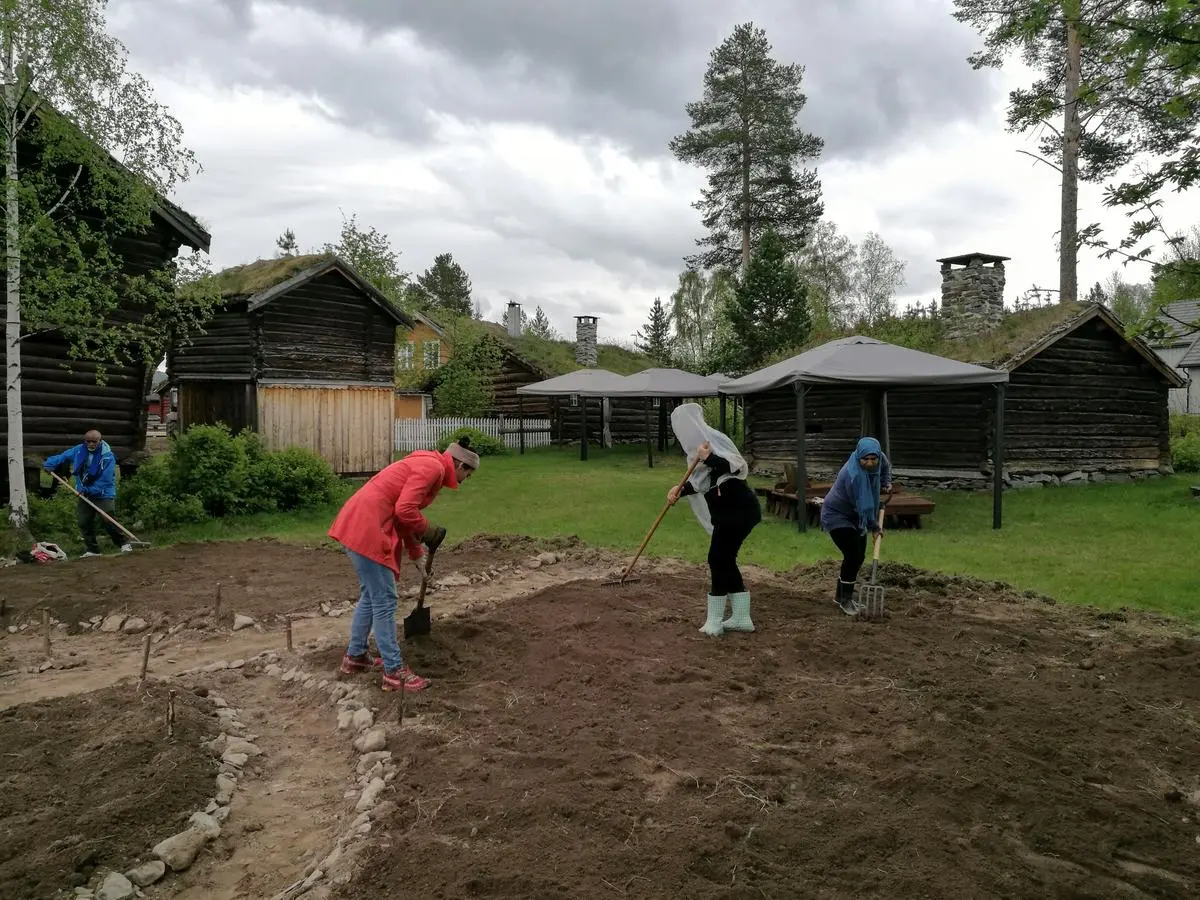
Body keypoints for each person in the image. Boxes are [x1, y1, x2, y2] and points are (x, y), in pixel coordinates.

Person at [328, 437, 479, 692]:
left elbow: (404, 515)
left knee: (371, 595)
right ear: (460, 465)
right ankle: (394, 672)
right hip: (368, 528)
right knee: (385, 600)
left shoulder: (427, 463)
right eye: (468, 473)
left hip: (358, 524)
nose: (466, 480)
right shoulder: (433, 469)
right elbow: (406, 510)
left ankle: (355, 658)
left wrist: (416, 553)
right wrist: (428, 530)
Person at [666, 403, 762, 637]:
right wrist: (679, 490)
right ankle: (741, 617)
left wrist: (708, 458)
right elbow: (702, 482)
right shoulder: (695, 454)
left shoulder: (715, 441)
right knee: (724, 560)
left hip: (739, 511)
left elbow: (735, 466)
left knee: (718, 559)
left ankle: (715, 620)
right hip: (727, 514)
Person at [819, 436, 893, 616]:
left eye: (872, 459)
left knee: (859, 556)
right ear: (858, 456)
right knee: (853, 555)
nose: (869, 463)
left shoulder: (880, 458)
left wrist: (885, 482)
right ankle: (846, 600)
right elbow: (863, 507)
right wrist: (875, 526)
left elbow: (885, 467)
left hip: (856, 516)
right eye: (865, 460)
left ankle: (840, 596)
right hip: (837, 515)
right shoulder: (853, 476)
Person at [42, 429, 131, 557]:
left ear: (99, 441)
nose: (90, 444)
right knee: (84, 522)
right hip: (84, 493)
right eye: (88, 441)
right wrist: (49, 464)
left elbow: (105, 480)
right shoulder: (79, 450)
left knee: (108, 519)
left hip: (103, 493)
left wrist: (88, 490)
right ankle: (93, 550)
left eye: (94, 442)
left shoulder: (108, 456)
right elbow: (63, 456)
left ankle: (124, 543)